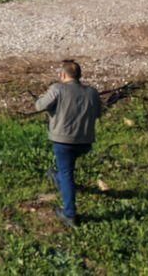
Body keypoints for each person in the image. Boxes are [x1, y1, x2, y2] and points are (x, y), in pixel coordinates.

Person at [35, 59, 103, 226]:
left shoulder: (58, 88)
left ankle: (69, 214)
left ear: (63, 75)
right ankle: (57, 178)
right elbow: (98, 113)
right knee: (66, 170)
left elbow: (39, 106)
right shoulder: (92, 92)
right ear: (79, 75)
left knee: (67, 174)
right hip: (85, 141)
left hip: (63, 141)